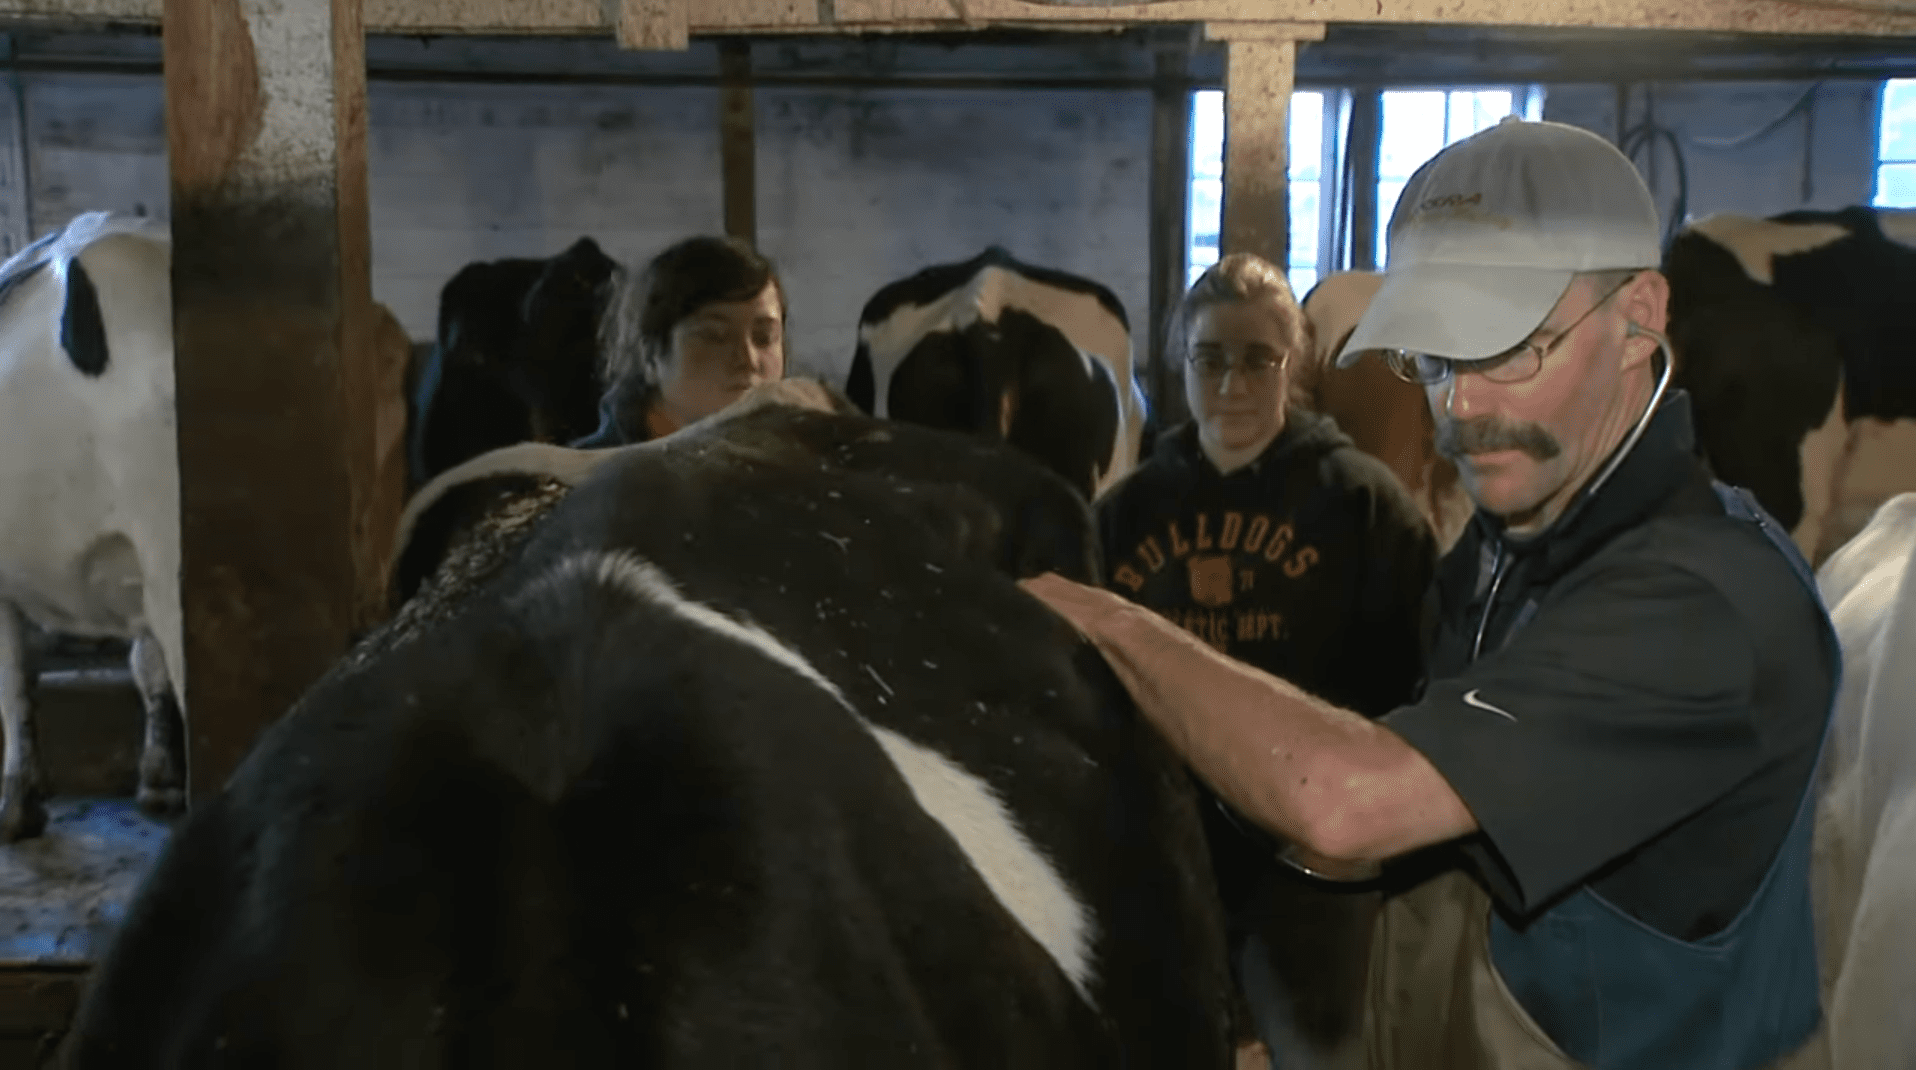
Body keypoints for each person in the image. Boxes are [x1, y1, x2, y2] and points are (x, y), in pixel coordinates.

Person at [1023, 117, 1840, 1070]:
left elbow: (1348, 802)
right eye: (1440, 358)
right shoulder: (1511, 545)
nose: (1462, 404)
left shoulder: (1703, 605)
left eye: (1513, 349)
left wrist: (1109, 619)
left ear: (1641, 317)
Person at [1095, 253, 1438, 1062]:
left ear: (1297, 366)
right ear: (1181, 367)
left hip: (1312, 865)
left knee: (1319, 1048)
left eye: (1259, 358)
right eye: (1210, 358)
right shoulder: (1127, 513)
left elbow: (1418, 681)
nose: (1233, 383)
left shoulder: (1362, 505)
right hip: (1169, 859)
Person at [571, 235, 787, 447]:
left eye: (764, 337)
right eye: (715, 337)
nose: (748, 359)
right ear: (651, 356)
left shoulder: (802, 467)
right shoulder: (581, 478)